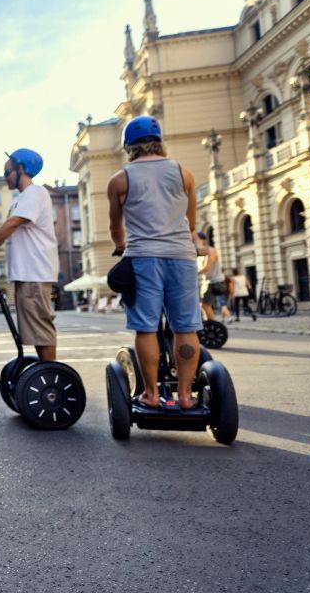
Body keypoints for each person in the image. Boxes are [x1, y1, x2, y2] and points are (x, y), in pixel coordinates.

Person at [107, 115, 205, 410]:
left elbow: (115, 227)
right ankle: (187, 396)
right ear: (159, 142)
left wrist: (120, 246)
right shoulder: (183, 173)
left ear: (129, 147)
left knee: (146, 328)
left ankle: (151, 394)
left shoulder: (120, 179)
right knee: (186, 326)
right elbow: (190, 223)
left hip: (143, 259)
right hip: (182, 258)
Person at [0, 148, 59, 361]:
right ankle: (46, 373)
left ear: (21, 169)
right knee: (34, 330)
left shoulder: (35, 193)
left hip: (35, 272)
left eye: (7, 172)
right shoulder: (22, 198)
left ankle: (52, 377)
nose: (4, 177)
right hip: (27, 273)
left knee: (40, 328)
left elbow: (13, 223)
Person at [197, 232, 228, 321]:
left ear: (203, 240)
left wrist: (194, 273)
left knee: (205, 305)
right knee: (206, 305)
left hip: (216, 282)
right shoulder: (202, 253)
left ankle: (212, 324)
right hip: (211, 282)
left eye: (197, 240)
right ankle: (212, 322)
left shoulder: (211, 251)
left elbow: (208, 267)